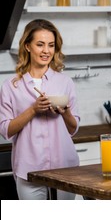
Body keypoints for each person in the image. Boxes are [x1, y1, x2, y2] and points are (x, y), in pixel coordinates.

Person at [0, 19, 80, 200]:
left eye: (51, 45)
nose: (46, 51)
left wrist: (65, 112)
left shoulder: (65, 82)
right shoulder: (11, 86)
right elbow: (6, 130)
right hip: (29, 167)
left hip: (65, 167)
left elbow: (73, 128)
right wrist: (33, 110)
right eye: (40, 44)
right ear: (28, 46)